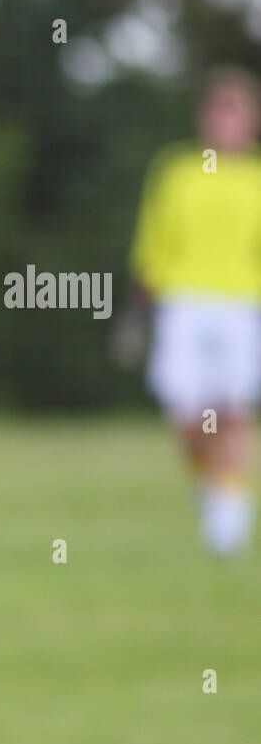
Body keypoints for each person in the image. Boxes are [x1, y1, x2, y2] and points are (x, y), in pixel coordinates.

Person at [129, 66, 261, 557]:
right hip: (184, 302)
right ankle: (214, 485)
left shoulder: (256, 178)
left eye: (236, 112)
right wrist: (141, 299)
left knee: (232, 411)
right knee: (189, 413)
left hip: (243, 304)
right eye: (218, 111)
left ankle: (229, 519)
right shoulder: (177, 170)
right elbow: (154, 237)